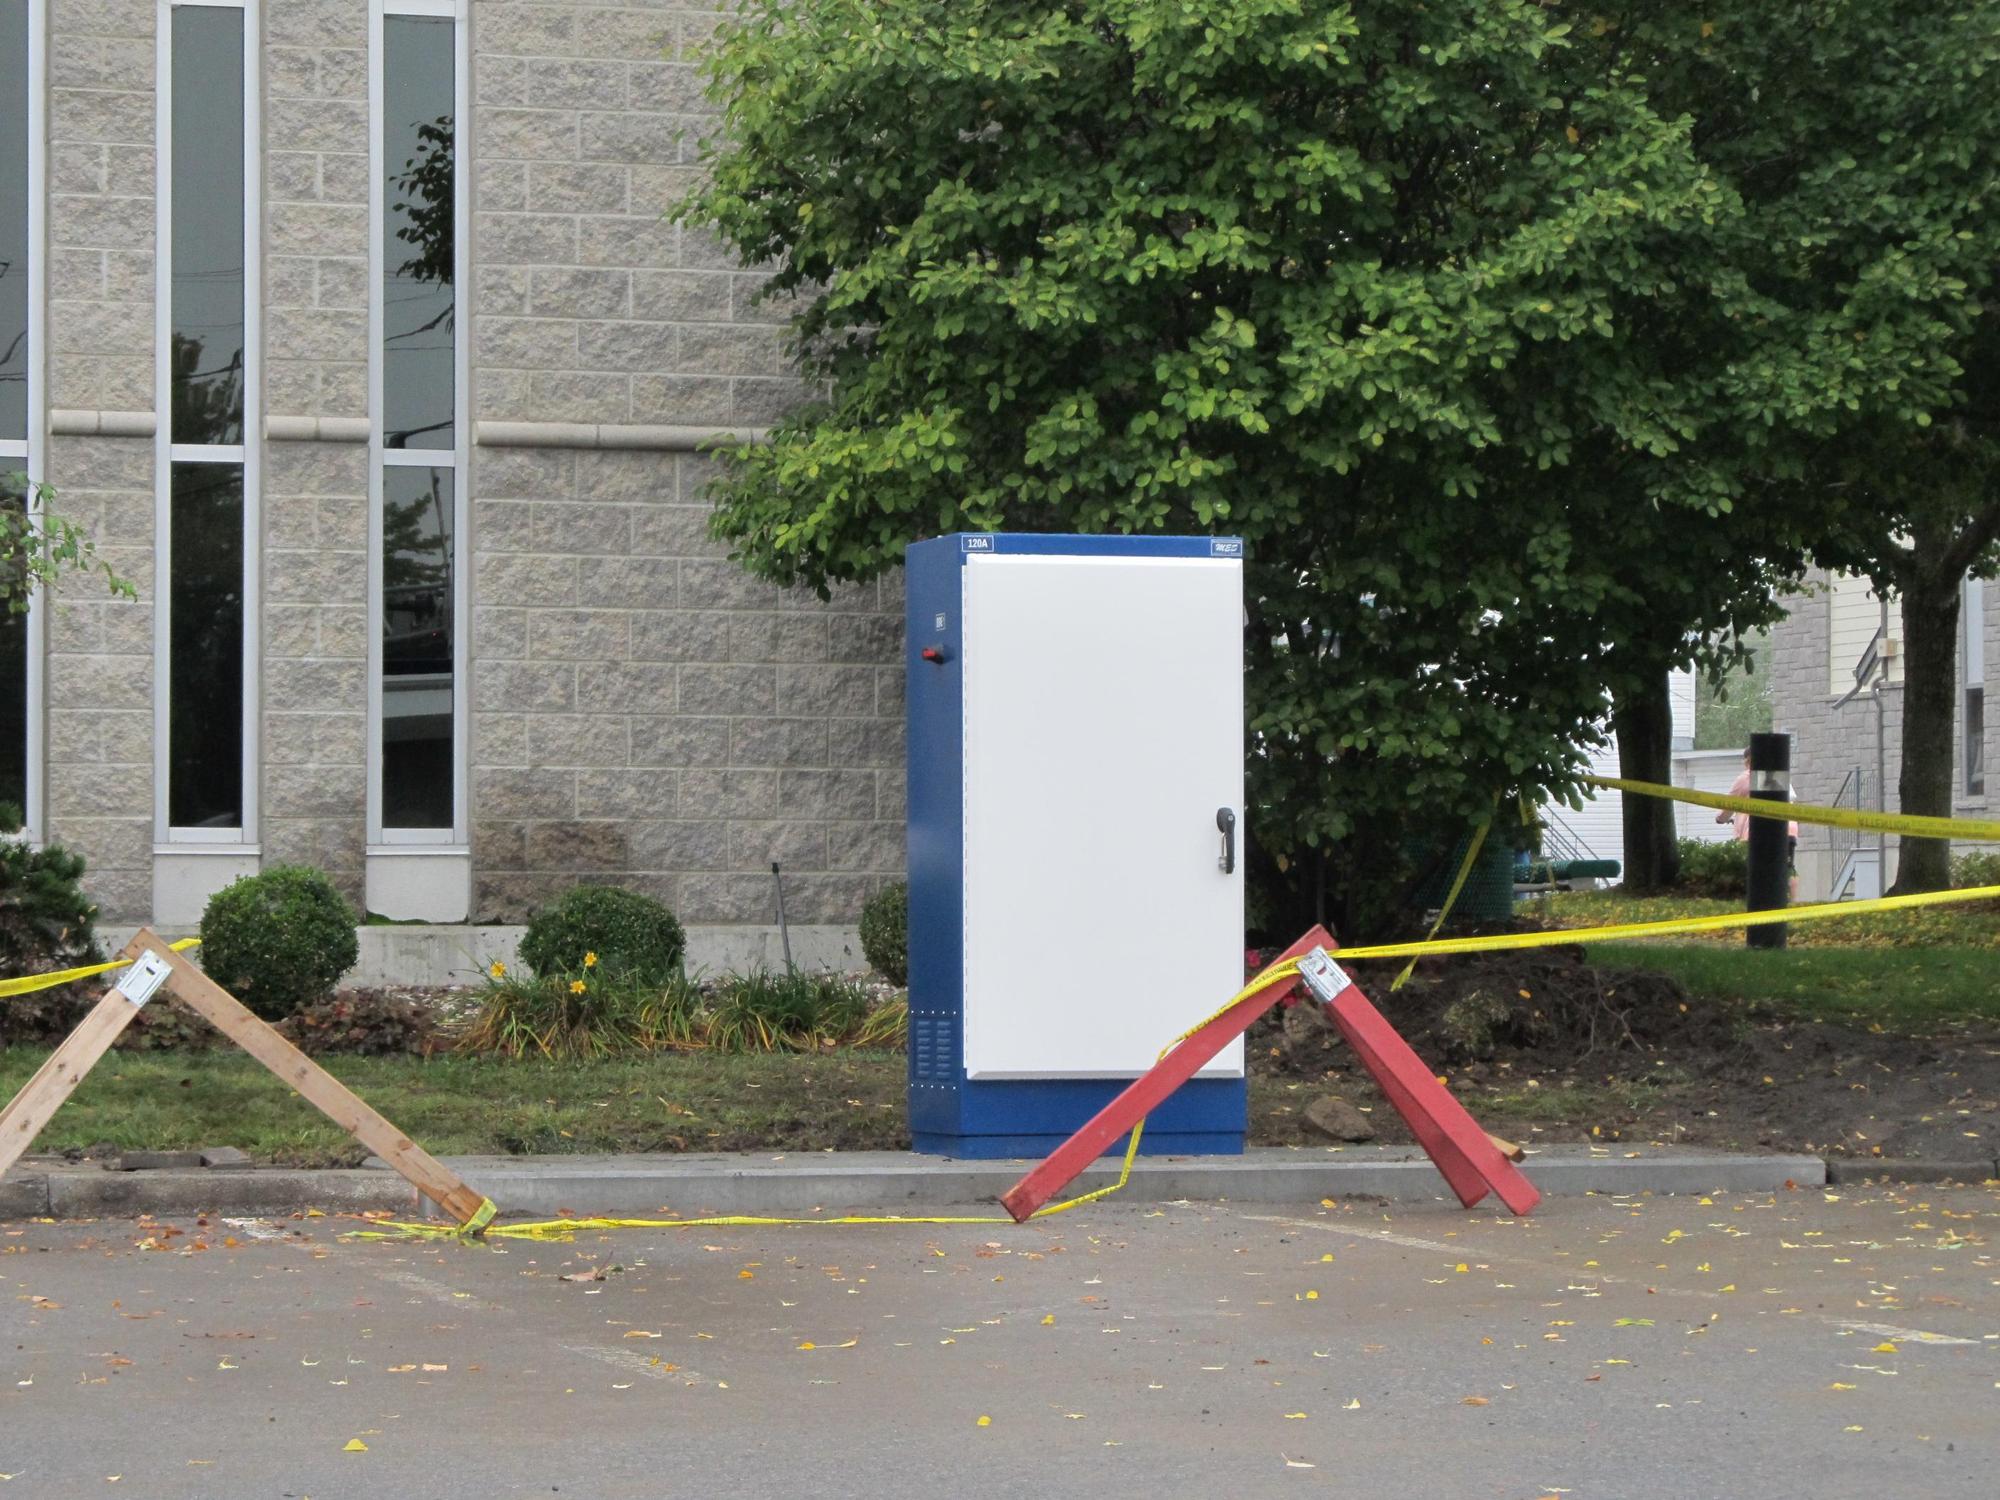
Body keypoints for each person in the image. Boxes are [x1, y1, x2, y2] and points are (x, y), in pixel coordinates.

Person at [1718, 751, 1799, 895]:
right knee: (1787, 869)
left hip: (1756, 833)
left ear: (1747, 761)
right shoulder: (1777, 776)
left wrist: (1720, 819)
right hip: (1788, 830)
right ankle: (1791, 901)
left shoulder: (1746, 777)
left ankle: (1756, 898)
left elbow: (1728, 808)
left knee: (1753, 870)